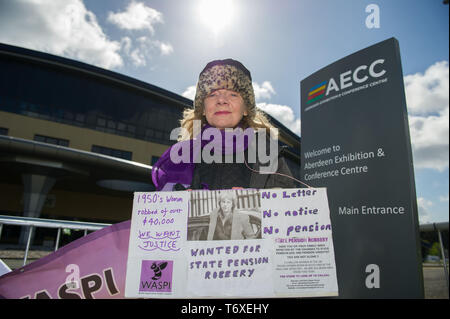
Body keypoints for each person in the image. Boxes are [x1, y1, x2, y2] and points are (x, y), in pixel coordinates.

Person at [152, 58, 297, 191]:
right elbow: (163, 212)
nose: (221, 100)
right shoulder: (180, 156)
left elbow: (285, 204)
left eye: (233, 94)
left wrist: (255, 204)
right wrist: (180, 203)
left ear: (246, 109)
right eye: (212, 94)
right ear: (202, 108)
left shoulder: (267, 151)